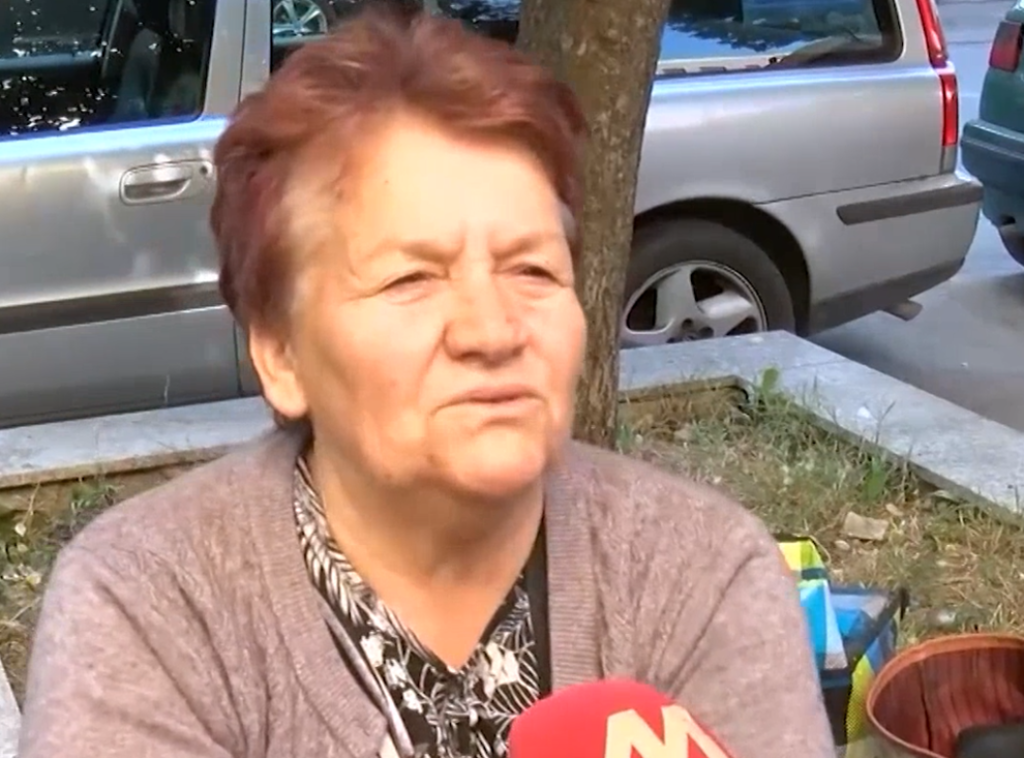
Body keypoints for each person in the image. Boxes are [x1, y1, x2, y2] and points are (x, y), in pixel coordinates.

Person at [18, 6, 834, 758]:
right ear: (281, 355)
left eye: (532, 270)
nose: (492, 331)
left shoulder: (699, 575)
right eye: (411, 280)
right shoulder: (151, 604)